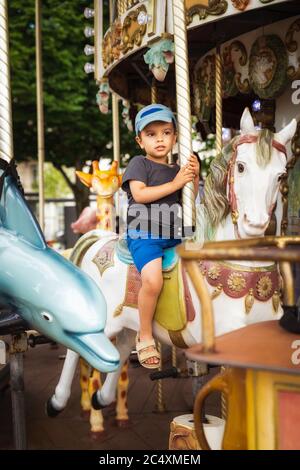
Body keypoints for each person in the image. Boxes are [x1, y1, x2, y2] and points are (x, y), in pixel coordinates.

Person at [121, 104, 200, 368]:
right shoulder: (139, 164)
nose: (160, 139)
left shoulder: (176, 168)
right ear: (140, 141)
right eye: (151, 134)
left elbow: (190, 199)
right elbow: (140, 195)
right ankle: (144, 335)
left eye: (166, 132)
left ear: (175, 138)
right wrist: (177, 182)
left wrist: (193, 178)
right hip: (145, 233)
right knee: (153, 281)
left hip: (175, 234)